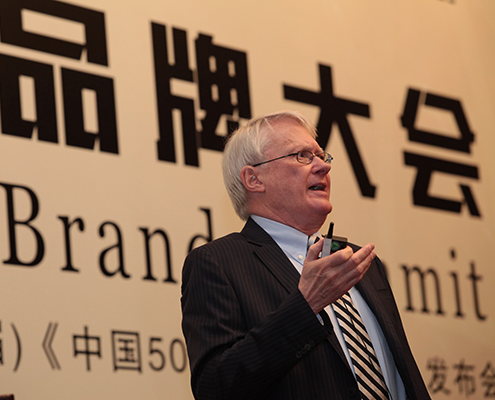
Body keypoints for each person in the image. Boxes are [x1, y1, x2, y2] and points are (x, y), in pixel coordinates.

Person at [180, 111, 431, 400]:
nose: (324, 166)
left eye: (322, 156)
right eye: (302, 156)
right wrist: (305, 305)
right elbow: (215, 387)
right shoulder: (218, 263)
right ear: (254, 178)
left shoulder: (360, 263)